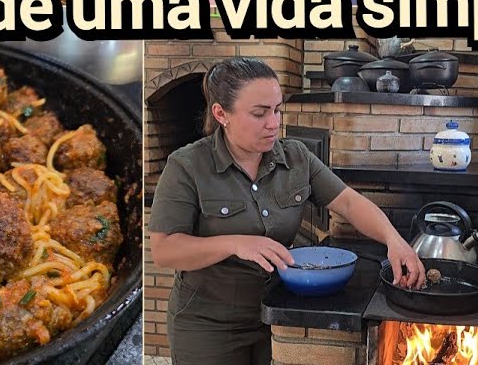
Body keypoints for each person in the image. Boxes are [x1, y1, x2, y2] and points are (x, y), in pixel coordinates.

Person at [150, 57, 427, 365]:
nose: (273, 123)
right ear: (221, 114)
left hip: (278, 315)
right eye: (259, 113)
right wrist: (235, 242)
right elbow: (164, 250)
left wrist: (394, 240)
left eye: (277, 109)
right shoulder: (186, 165)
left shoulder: (296, 156)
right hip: (207, 326)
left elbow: (349, 202)